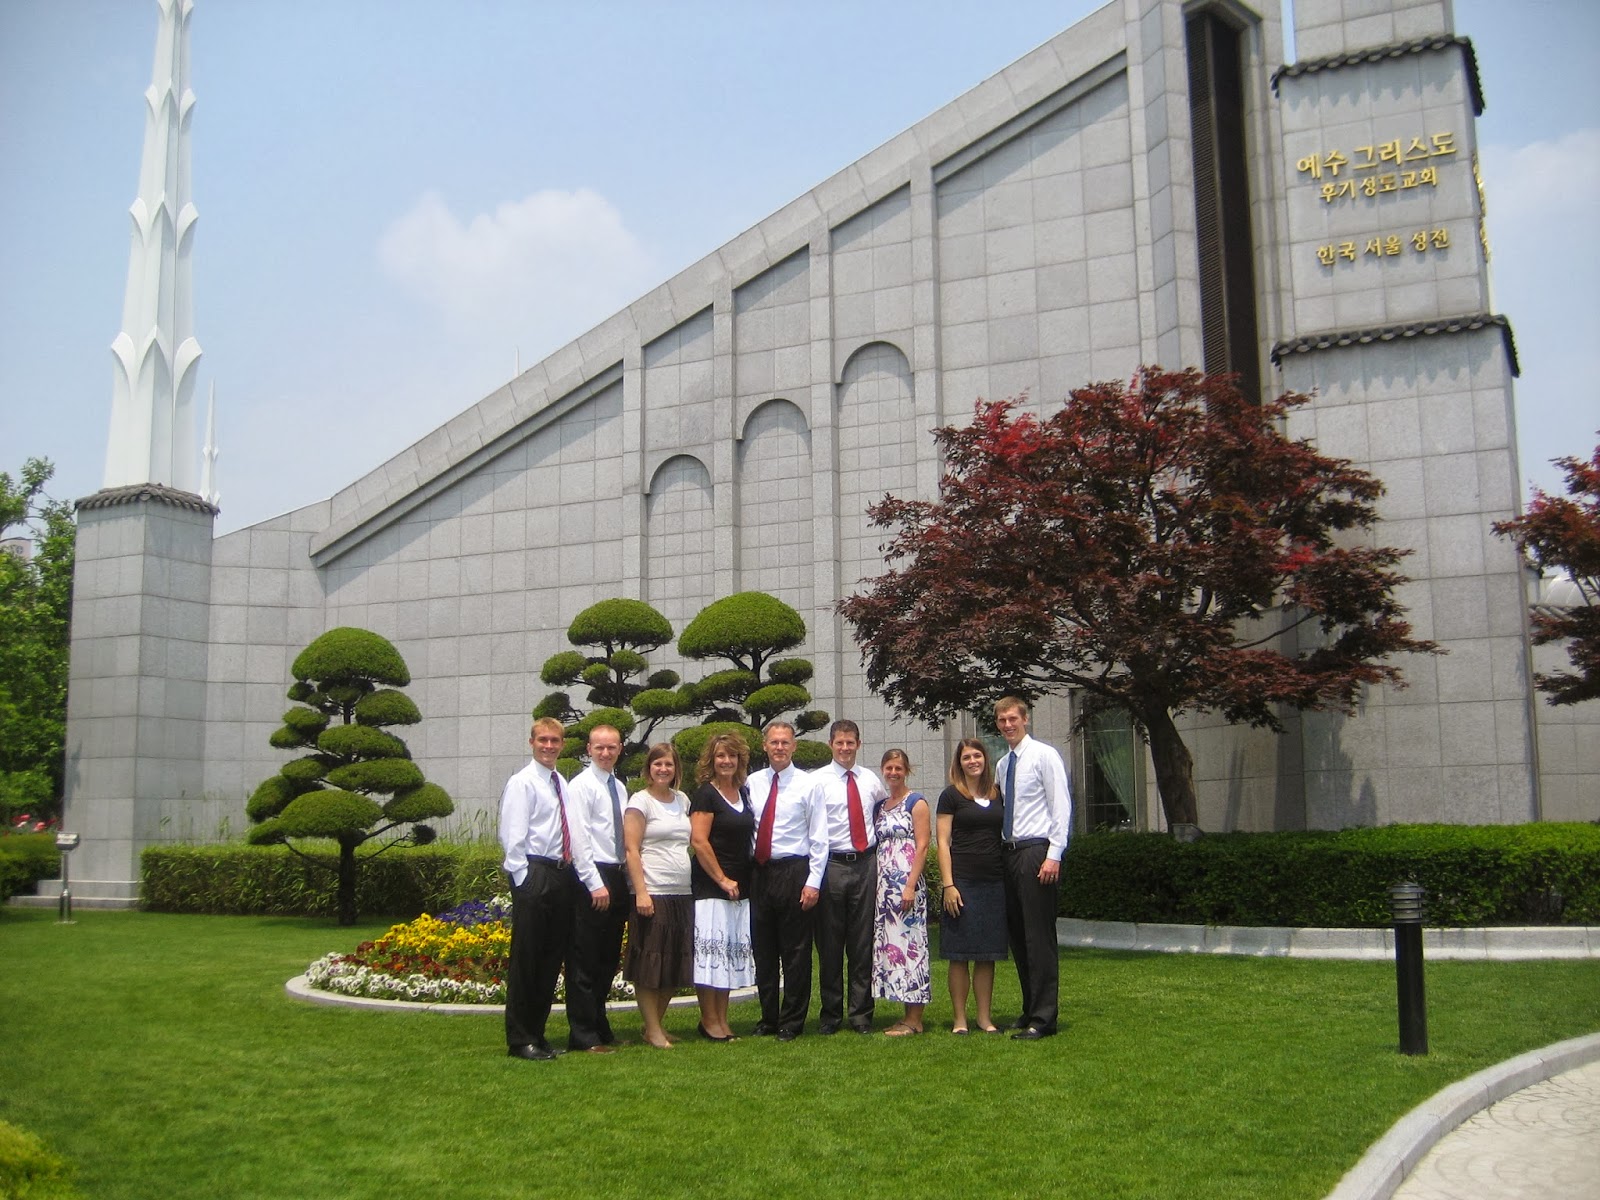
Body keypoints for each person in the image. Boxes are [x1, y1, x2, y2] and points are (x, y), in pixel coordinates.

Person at [499, 717, 602, 1061]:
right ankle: (520, 1039)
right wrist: (524, 880)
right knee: (527, 959)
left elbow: (575, 833)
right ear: (531, 742)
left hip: (562, 875)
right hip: (535, 873)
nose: (549, 746)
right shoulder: (522, 783)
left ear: (562, 744)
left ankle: (537, 1034)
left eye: (555, 740)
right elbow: (512, 837)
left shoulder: (561, 782)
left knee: (549, 960)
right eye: (542, 740)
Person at [994, 696, 1072, 1040]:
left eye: (1013, 718)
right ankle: (1029, 1007)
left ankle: (1044, 1018)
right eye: (1002, 720)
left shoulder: (1044, 755)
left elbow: (1061, 806)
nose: (1008, 725)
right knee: (1019, 937)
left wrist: (1054, 854)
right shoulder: (1002, 765)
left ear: (1025, 719)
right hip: (1009, 853)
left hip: (1036, 852)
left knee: (1038, 937)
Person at [744, 721, 828, 1041]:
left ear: (794, 746)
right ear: (764, 746)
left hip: (794, 871)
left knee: (796, 952)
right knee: (763, 951)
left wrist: (813, 882)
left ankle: (792, 1021)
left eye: (785, 742)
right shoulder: (751, 783)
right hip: (760, 873)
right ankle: (768, 1018)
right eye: (774, 742)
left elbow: (819, 837)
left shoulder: (809, 785)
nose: (779, 748)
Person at [812, 719, 885, 1034]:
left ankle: (861, 1015)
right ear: (831, 744)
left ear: (858, 744)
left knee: (862, 943)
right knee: (829, 945)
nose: (845, 748)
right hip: (831, 866)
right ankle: (830, 1015)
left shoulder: (870, 780)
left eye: (850, 743)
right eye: (839, 742)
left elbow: (881, 814)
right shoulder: (816, 781)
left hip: (865, 865)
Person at [562, 723, 630, 1053]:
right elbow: (579, 839)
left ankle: (600, 1027)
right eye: (599, 747)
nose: (605, 752)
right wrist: (594, 884)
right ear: (589, 749)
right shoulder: (581, 786)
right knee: (585, 959)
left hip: (616, 875)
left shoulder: (620, 787)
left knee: (607, 958)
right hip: (592, 877)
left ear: (620, 749)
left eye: (611, 747)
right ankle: (583, 1034)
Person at [622, 742, 694, 1050]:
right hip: (653, 891)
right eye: (658, 764)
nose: (663, 769)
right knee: (650, 963)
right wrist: (641, 892)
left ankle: (655, 1025)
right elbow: (631, 850)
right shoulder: (640, 802)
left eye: (669, 764)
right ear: (648, 768)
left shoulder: (682, 800)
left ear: (676, 769)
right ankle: (652, 1030)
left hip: (682, 892)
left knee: (673, 962)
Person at [936, 738, 1008, 1034]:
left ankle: (984, 1018)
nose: (972, 761)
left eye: (977, 755)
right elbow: (943, 842)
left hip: (993, 882)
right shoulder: (951, 795)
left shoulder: (998, 794)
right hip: (962, 883)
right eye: (966, 757)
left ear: (985, 759)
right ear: (959, 763)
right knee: (959, 955)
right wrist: (949, 885)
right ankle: (960, 1020)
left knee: (987, 955)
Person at [688, 731, 756, 1041]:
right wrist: (721, 879)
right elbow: (699, 841)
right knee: (710, 955)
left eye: (732, 756)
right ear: (711, 760)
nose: (726, 761)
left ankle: (723, 1020)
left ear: (740, 760)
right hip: (712, 887)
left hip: (740, 887)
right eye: (720, 756)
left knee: (727, 955)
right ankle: (708, 1021)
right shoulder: (706, 794)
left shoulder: (742, 793)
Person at [872, 748, 931, 1036]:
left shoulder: (916, 802)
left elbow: (923, 845)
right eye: (889, 768)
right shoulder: (881, 806)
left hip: (907, 886)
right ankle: (905, 1015)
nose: (893, 772)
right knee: (893, 947)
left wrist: (910, 885)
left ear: (906, 770)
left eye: (898, 768)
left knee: (911, 948)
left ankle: (915, 1019)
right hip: (885, 889)